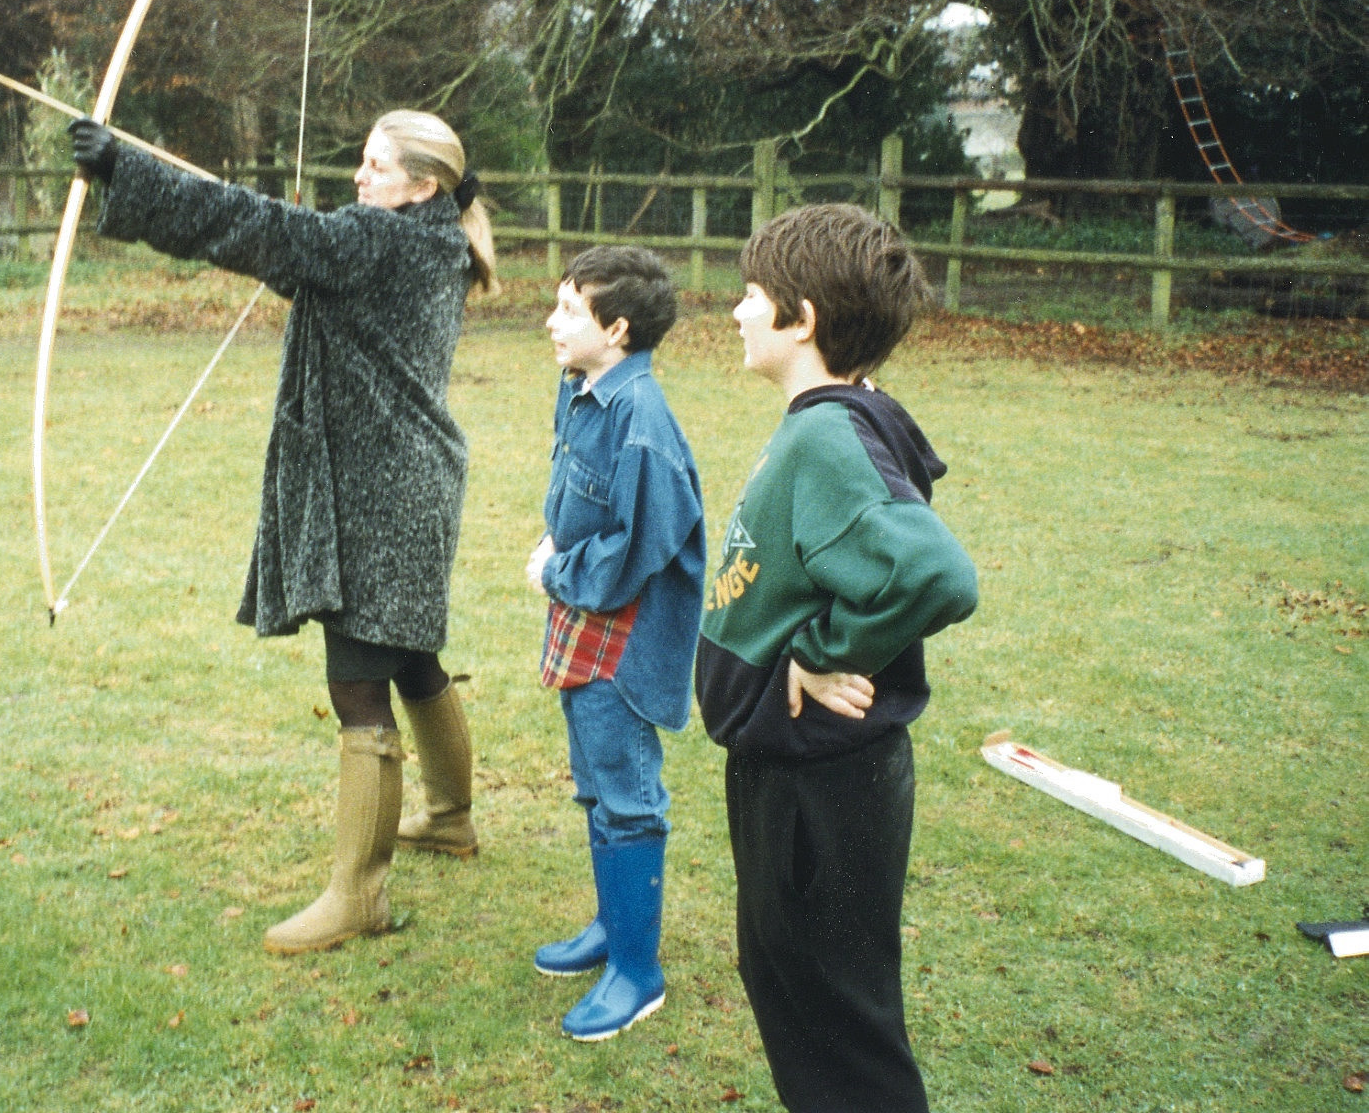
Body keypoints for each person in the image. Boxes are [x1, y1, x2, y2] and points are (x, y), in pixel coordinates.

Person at [68, 110, 495, 954]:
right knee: (410, 655)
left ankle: (358, 896)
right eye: (362, 164)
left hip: (382, 492)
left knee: (359, 685)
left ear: (421, 187)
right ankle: (449, 816)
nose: (359, 180)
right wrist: (130, 175)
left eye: (377, 169)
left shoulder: (384, 243)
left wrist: (126, 169)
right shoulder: (423, 241)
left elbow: (254, 225)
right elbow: (280, 241)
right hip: (404, 481)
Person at [696, 202, 978, 1111]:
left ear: (802, 317)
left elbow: (938, 574)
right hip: (802, 771)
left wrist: (819, 651)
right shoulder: (841, 417)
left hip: (820, 783)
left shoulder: (827, 435)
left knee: (839, 1030)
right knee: (795, 989)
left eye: (751, 295)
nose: (736, 310)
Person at [523, 245, 705, 1041]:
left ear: (618, 328)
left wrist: (558, 570)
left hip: (622, 642)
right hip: (584, 625)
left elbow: (640, 548)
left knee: (630, 799)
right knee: (596, 785)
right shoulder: (585, 391)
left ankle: (639, 970)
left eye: (569, 310)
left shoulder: (643, 421)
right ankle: (612, 926)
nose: (551, 322)